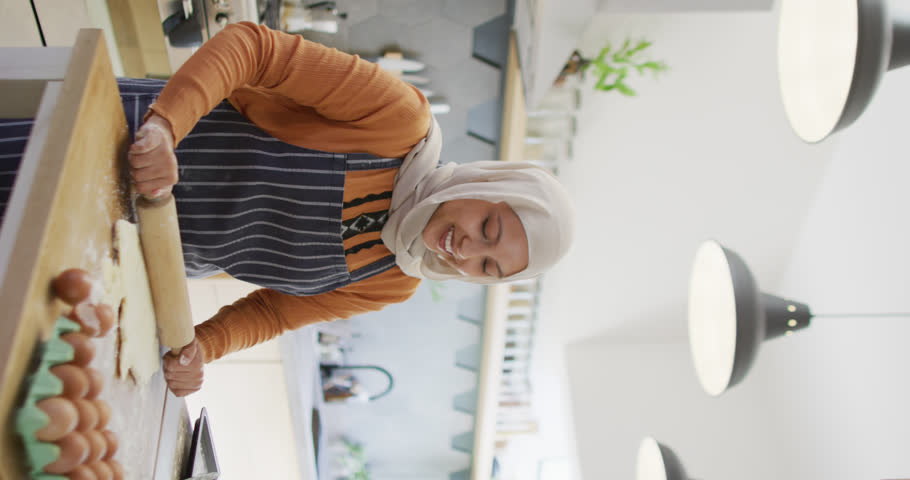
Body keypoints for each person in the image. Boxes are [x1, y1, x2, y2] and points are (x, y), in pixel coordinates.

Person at [2, 22, 575, 397]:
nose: (467, 249)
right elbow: (254, 50)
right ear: (485, 185)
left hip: (119, 259)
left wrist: (203, 347)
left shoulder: (391, 282)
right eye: (488, 226)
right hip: (113, 144)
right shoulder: (397, 122)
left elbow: (274, 312)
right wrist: (165, 128)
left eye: (487, 266)